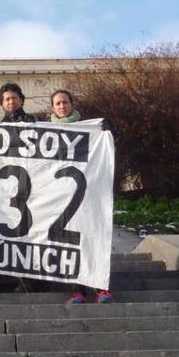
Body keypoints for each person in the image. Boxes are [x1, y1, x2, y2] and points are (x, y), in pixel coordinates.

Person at [51, 89, 114, 306]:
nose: (62, 106)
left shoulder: (90, 129)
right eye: (57, 103)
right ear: (53, 108)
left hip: (88, 196)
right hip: (61, 200)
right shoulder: (46, 130)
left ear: (72, 104)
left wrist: (106, 131)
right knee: (69, 247)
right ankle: (77, 290)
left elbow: (105, 153)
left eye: (65, 102)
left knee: (92, 239)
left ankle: (102, 288)